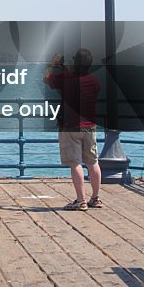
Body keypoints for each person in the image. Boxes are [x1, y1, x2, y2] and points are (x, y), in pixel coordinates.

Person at [44, 49, 103, 211]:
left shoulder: (66, 78)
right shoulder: (94, 80)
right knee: (93, 162)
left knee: (75, 163)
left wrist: (52, 65)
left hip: (70, 126)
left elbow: (47, 79)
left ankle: (81, 201)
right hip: (90, 126)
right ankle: (95, 198)